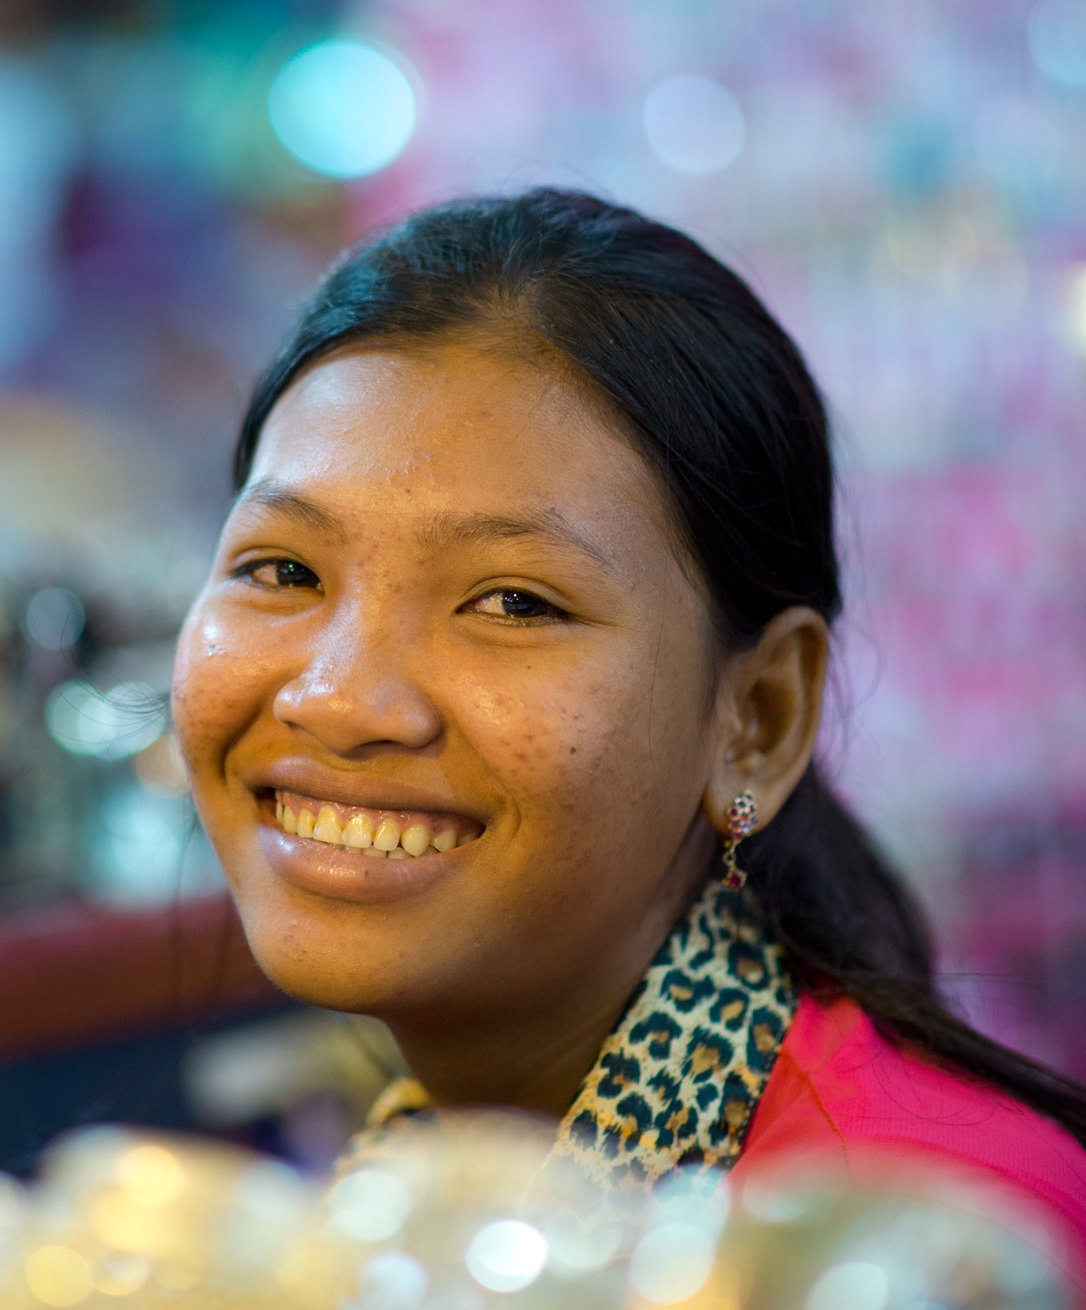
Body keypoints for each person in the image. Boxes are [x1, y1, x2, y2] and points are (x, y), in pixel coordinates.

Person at [172, 190, 1086, 1286]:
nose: (339, 698)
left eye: (512, 602)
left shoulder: (910, 1250)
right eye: (284, 571)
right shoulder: (448, 1163)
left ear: (758, 716)